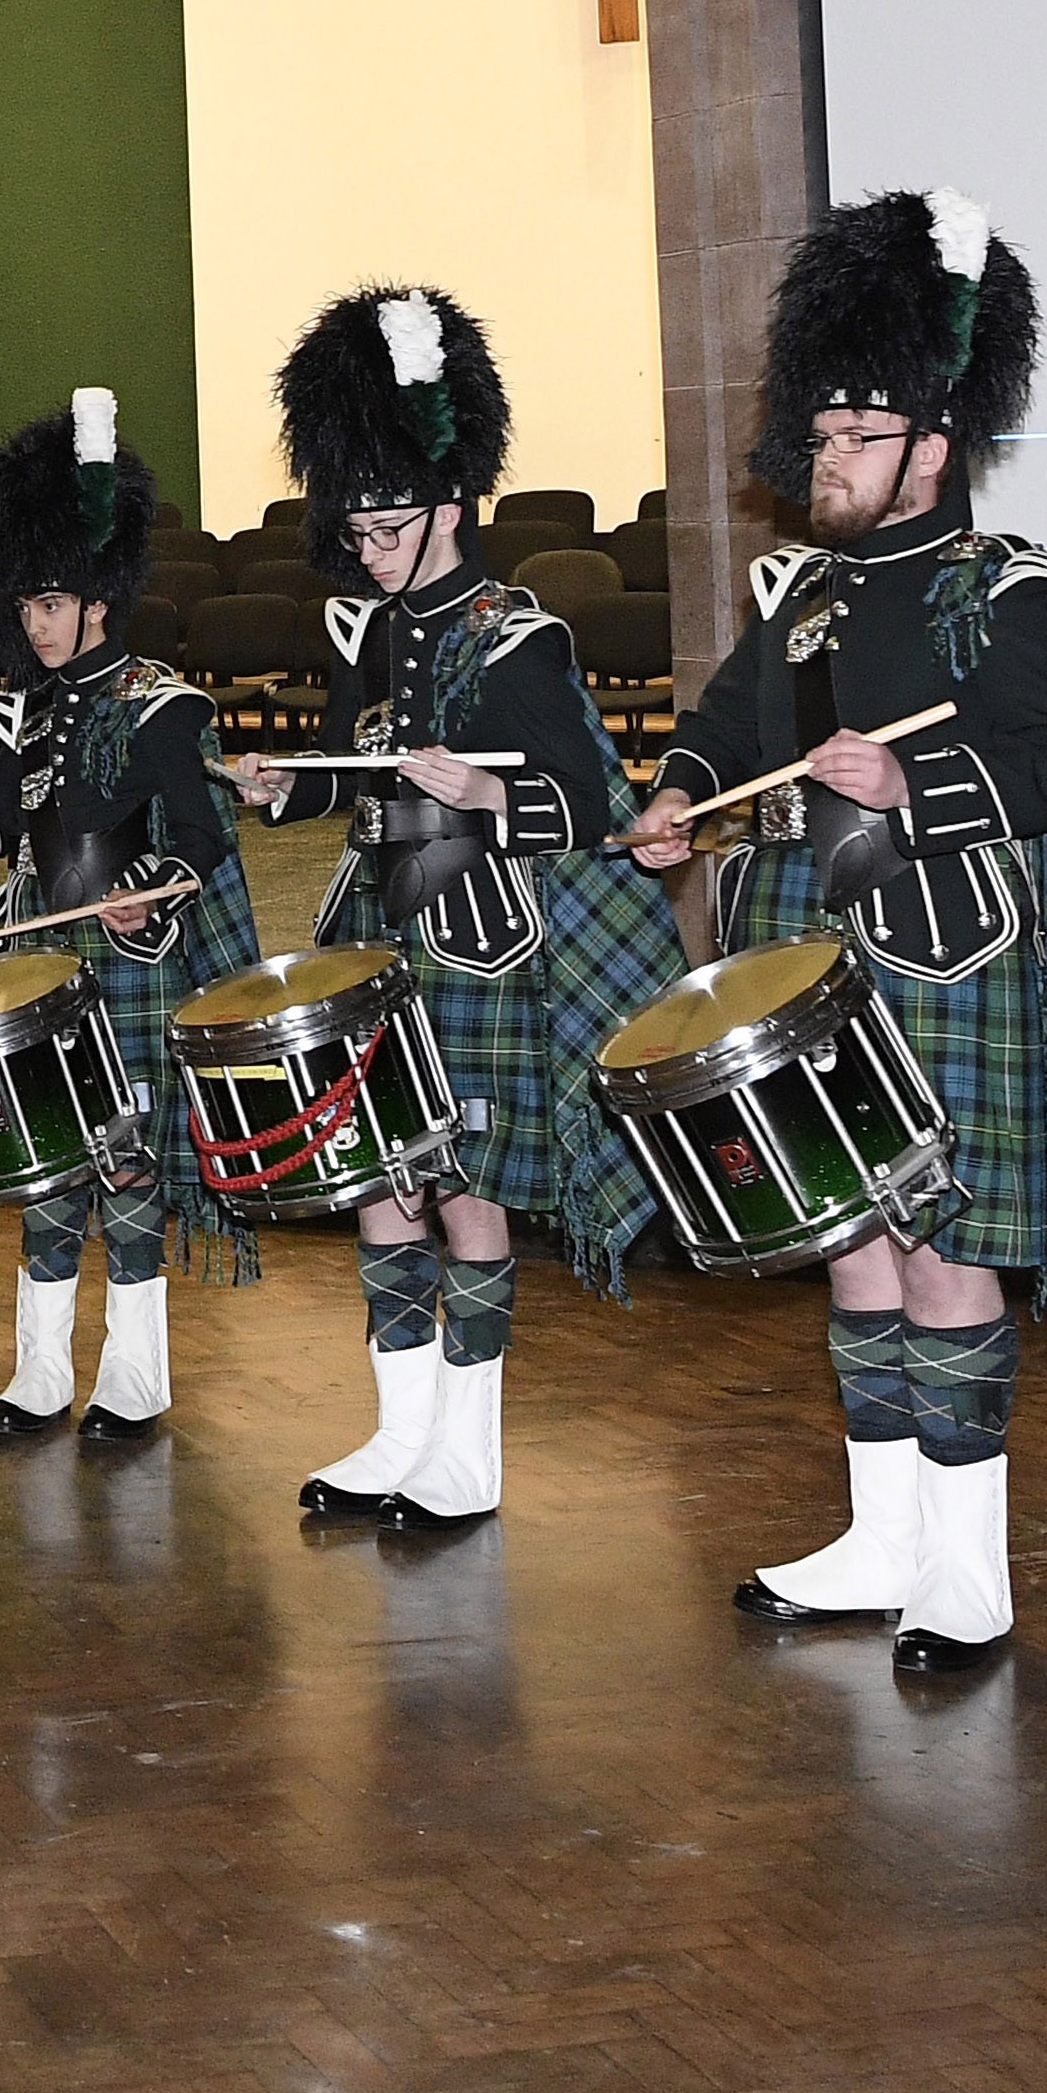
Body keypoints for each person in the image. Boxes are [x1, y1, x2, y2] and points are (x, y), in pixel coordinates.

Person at [623, 193, 1047, 1672]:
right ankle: (878, 1539)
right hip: (806, 952)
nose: (822, 462)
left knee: (943, 1252)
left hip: (945, 947)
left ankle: (964, 1574)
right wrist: (676, 794)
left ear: (933, 444)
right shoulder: (803, 601)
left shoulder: (1014, 592)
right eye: (821, 436)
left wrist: (917, 778)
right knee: (849, 1241)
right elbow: (728, 728)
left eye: (852, 441)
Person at [268, 287, 681, 1528]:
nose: (370, 544)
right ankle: (401, 1433)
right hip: (380, 933)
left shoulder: (521, 640)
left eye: (387, 521)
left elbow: (594, 808)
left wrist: (491, 801)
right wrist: (282, 785)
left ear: (449, 503)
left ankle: (471, 1451)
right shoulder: (373, 635)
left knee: (465, 1189)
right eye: (356, 523)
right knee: (381, 1181)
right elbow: (349, 764)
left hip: (482, 943)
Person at [0, 390, 260, 1442]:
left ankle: (135, 1375)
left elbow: (208, 836)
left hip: (132, 954)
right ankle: (39, 1371)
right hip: (42, 950)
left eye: (55, 603)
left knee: (125, 1162)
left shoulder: (163, 701)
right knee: (49, 1156)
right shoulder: (25, 709)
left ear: (101, 599)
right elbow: (6, 800)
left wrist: (152, 885)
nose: (37, 624)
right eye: (26, 604)